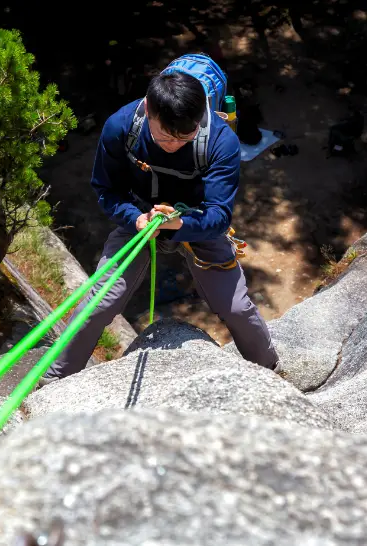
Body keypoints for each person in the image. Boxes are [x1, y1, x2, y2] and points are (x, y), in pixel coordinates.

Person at [41, 70, 279, 383]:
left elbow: (219, 215)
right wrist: (135, 218)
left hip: (196, 220)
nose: (174, 144)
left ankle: (271, 372)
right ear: (148, 109)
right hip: (139, 218)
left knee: (235, 307)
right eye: (165, 136)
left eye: (185, 137)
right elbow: (106, 189)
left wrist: (178, 223)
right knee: (99, 303)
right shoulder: (122, 127)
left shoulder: (220, 141)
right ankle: (56, 378)